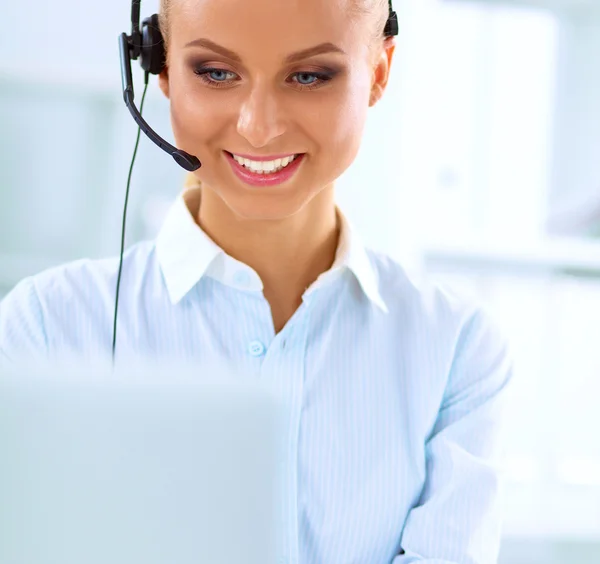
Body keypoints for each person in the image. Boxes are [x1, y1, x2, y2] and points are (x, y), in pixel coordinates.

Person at [0, 0, 514, 561]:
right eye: (216, 73)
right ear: (159, 67)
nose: (259, 126)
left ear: (379, 73)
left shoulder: (456, 349)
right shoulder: (47, 329)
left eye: (309, 75)